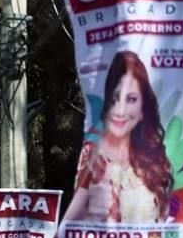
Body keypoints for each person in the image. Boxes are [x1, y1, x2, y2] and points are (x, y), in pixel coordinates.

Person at [62, 51, 172, 224]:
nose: (120, 111)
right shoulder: (93, 153)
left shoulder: (155, 160)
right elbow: (77, 208)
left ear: (144, 107)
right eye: (114, 99)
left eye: (131, 99)